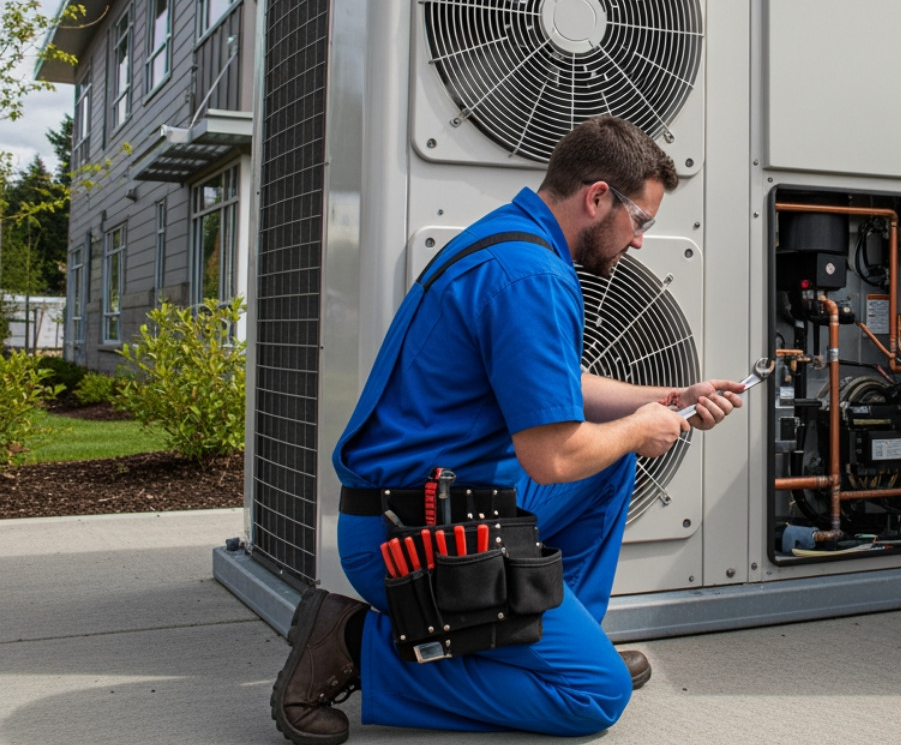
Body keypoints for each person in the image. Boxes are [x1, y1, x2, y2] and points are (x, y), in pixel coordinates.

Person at [271, 116, 744, 745]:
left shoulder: (512, 240)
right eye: (641, 221)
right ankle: (357, 646)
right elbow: (551, 456)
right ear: (597, 197)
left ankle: (548, 641)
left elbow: (557, 385)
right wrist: (638, 429)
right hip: (409, 536)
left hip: (438, 504)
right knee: (593, 695)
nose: (638, 243)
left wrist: (668, 398)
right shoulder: (533, 276)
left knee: (611, 462)